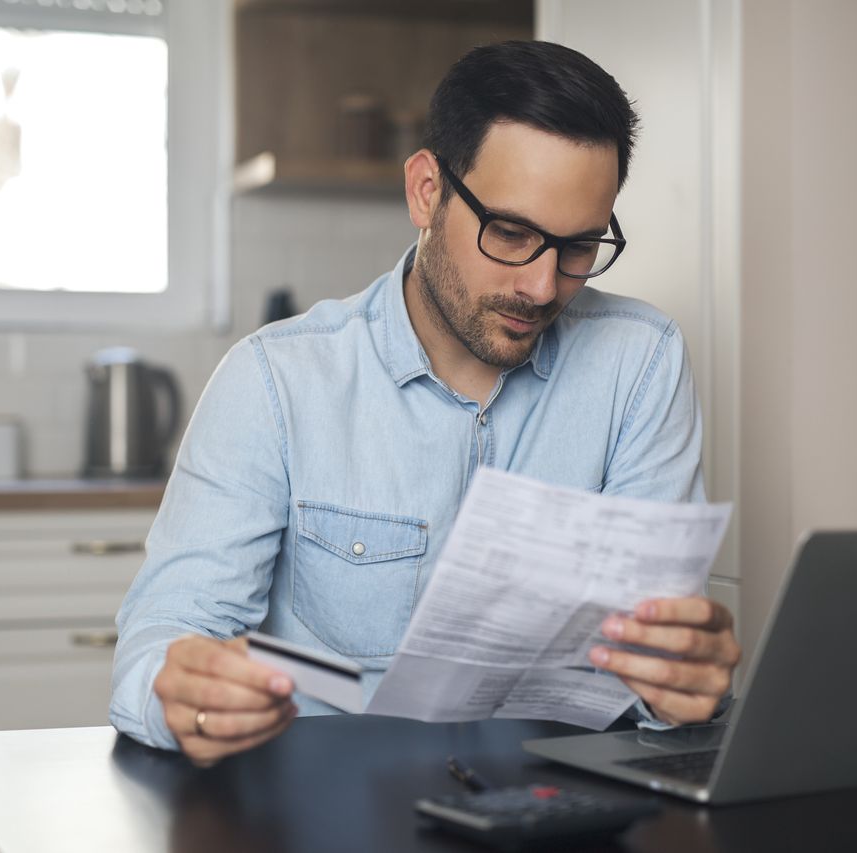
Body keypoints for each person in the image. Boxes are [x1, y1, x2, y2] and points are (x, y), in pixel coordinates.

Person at [110, 40, 741, 765]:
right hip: (323, 812)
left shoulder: (642, 364)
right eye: (510, 232)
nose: (541, 287)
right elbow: (159, 640)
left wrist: (683, 685)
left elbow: (655, 674)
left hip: (553, 810)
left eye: (578, 246)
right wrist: (179, 686)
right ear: (425, 191)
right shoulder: (274, 381)